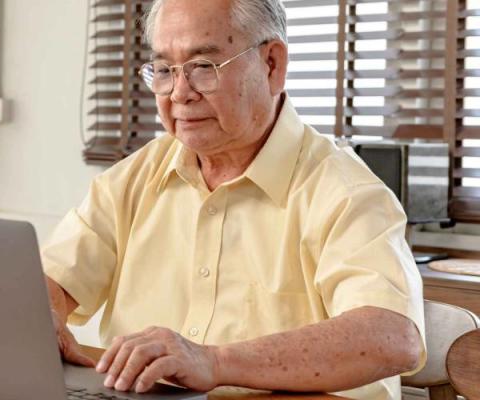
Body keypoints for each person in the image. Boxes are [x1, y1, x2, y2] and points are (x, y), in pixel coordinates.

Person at [42, 0, 426, 398]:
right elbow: (49, 282)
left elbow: (391, 336)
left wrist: (214, 362)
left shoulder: (346, 192)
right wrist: (45, 314)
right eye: (163, 70)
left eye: (203, 67)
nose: (179, 93)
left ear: (272, 64)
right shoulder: (132, 179)